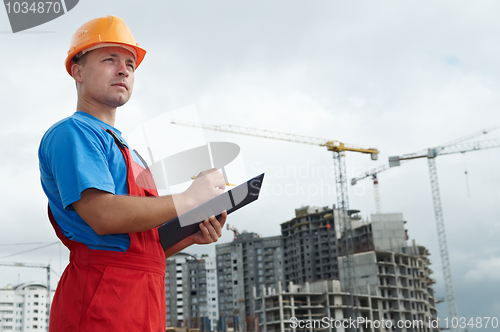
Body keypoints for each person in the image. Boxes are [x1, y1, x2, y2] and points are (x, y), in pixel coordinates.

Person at [38, 16, 227, 332]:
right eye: (109, 59)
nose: (124, 69)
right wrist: (188, 199)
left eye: (130, 63)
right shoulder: (75, 133)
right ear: (77, 70)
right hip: (100, 302)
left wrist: (186, 234)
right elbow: (104, 216)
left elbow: (131, 241)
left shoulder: (128, 150)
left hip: (143, 299)